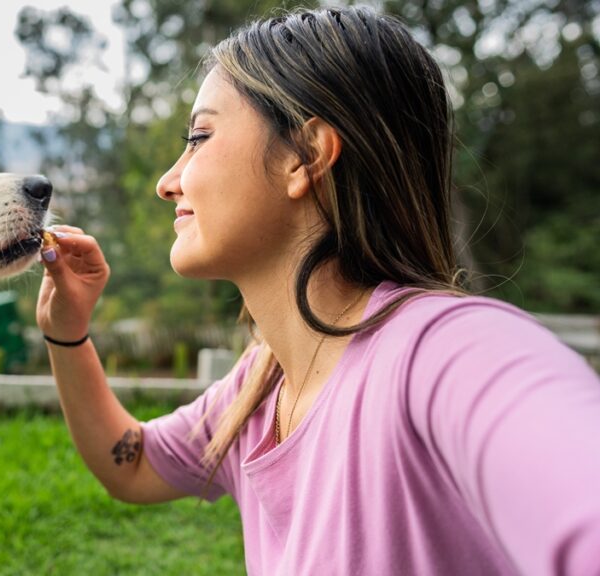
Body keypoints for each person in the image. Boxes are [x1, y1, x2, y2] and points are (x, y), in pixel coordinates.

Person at [34, 6, 600, 575]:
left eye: (199, 137)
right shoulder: (261, 387)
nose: (167, 182)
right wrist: (67, 334)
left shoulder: (442, 353)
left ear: (304, 157)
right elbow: (131, 466)